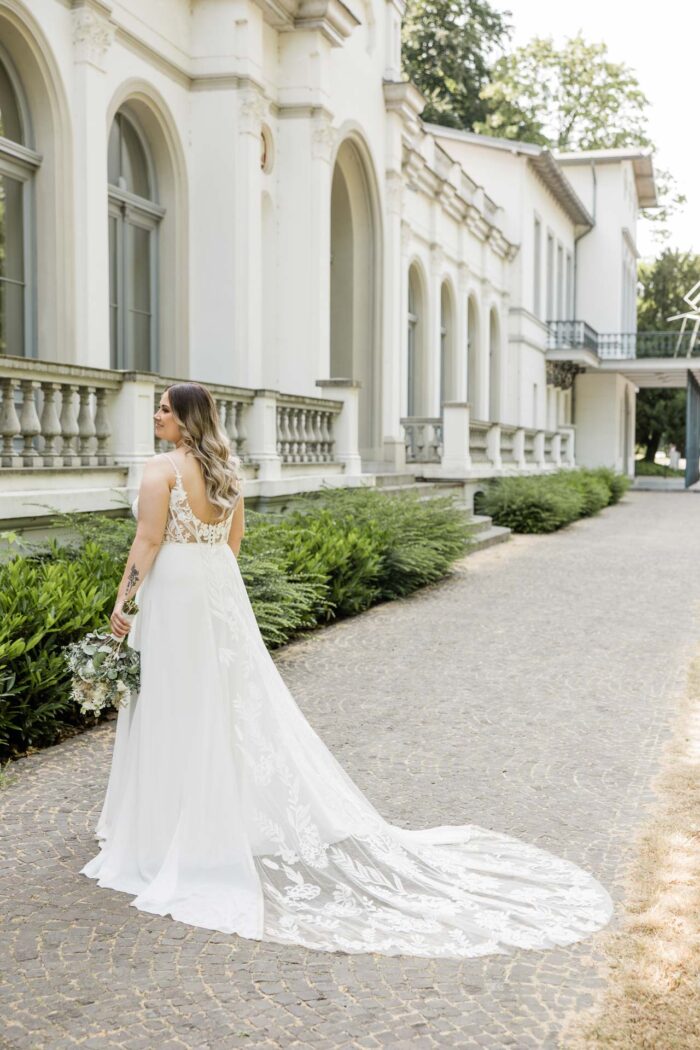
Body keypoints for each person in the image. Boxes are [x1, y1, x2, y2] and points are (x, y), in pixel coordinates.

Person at [81, 381, 613, 958]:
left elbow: (147, 541)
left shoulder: (159, 470)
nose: (156, 416)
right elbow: (233, 544)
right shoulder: (227, 471)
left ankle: (164, 829)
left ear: (187, 419)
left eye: (165, 409)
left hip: (176, 594)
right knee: (223, 702)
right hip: (216, 591)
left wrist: (125, 602)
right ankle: (205, 818)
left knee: (173, 702)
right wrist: (213, 586)